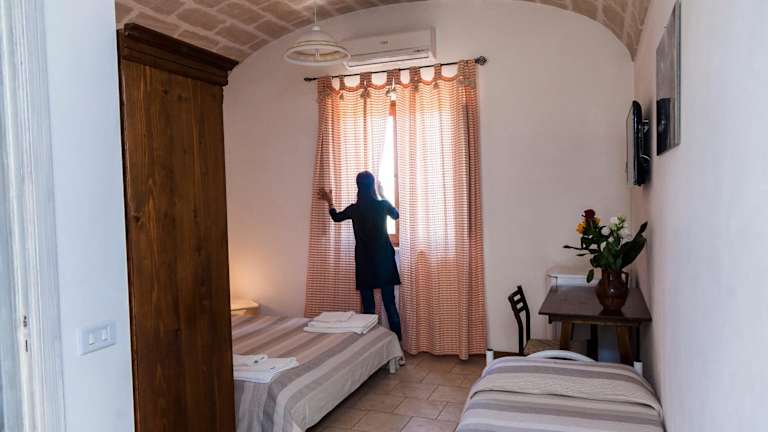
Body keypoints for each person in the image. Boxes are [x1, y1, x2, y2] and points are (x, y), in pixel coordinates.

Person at [318, 171, 402, 340]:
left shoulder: (355, 209)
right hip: (385, 261)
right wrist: (383, 194)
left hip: (364, 262)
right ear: (372, 186)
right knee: (390, 304)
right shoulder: (382, 205)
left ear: (358, 187)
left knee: (368, 308)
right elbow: (396, 215)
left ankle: (369, 345)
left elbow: (336, 217)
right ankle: (397, 347)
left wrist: (330, 201)